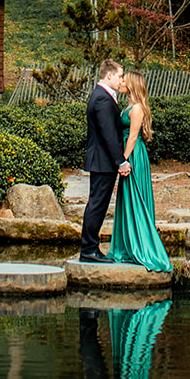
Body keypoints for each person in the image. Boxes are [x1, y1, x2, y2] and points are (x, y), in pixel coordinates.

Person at [107, 70, 172, 272]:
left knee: (136, 197)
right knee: (126, 198)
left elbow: (133, 137)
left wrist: (123, 160)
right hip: (127, 152)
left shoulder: (136, 109)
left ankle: (142, 246)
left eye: (124, 80)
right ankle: (126, 245)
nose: (121, 82)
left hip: (133, 154)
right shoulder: (128, 105)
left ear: (133, 85)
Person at [79, 58, 129, 263]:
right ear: (109, 75)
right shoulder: (102, 98)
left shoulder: (104, 96)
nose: (121, 80)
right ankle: (89, 249)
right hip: (102, 160)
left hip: (102, 160)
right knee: (97, 204)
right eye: (119, 76)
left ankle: (91, 248)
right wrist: (121, 161)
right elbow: (108, 134)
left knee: (97, 203)